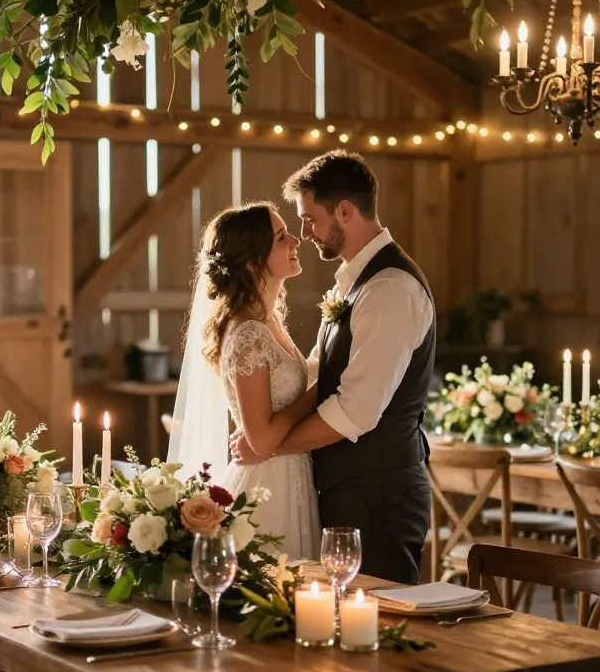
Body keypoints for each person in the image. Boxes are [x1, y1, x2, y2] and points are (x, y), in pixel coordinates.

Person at [231, 150, 435, 584]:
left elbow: (355, 410)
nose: (304, 233)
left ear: (344, 211)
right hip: (346, 490)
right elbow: (321, 376)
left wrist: (269, 446)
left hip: (379, 497)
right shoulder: (355, 282)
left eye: (308, 219)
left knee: (382, 625)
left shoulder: (390, 289)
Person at [167, 202, 321, 559]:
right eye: (282, 237)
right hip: (267, 487)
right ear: (253, 261)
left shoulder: (269, 321)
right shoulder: (248, 333)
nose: (295, 240)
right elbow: (262, 438)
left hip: (291, 477)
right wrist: (317, 393)